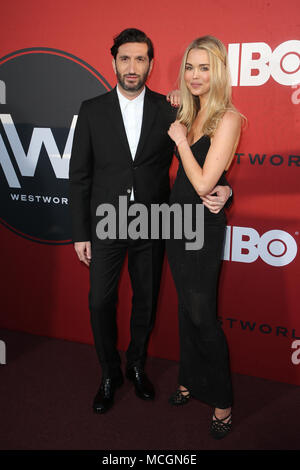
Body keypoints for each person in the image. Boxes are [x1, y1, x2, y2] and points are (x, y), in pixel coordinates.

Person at [69, 28, 232, 415]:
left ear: (151, 64)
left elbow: (205, 160)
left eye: (140, 59)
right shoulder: (91, 109)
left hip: (155, 223)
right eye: (125, 58)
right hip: (106, 224)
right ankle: (109, 373)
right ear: (113, 62)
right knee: (99, 303)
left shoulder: (172, 108)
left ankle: (136, 366)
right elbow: (79, 176)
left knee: (146, 302)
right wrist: (80, 232)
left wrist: (227, 192)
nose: (132, 66)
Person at [166, 35, 242, 439]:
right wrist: (229, 191)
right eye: (190, 67)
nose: (196, 76)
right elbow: (218, 183)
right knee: (184, 310)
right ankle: (188, 380)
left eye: (205, 68)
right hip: (173, 224)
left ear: (220, 72)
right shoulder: (189, 108)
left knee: (203, 315)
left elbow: (202, 184)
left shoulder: (227, 118)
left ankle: (223, 401)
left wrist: (179, 141)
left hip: (201, 227)